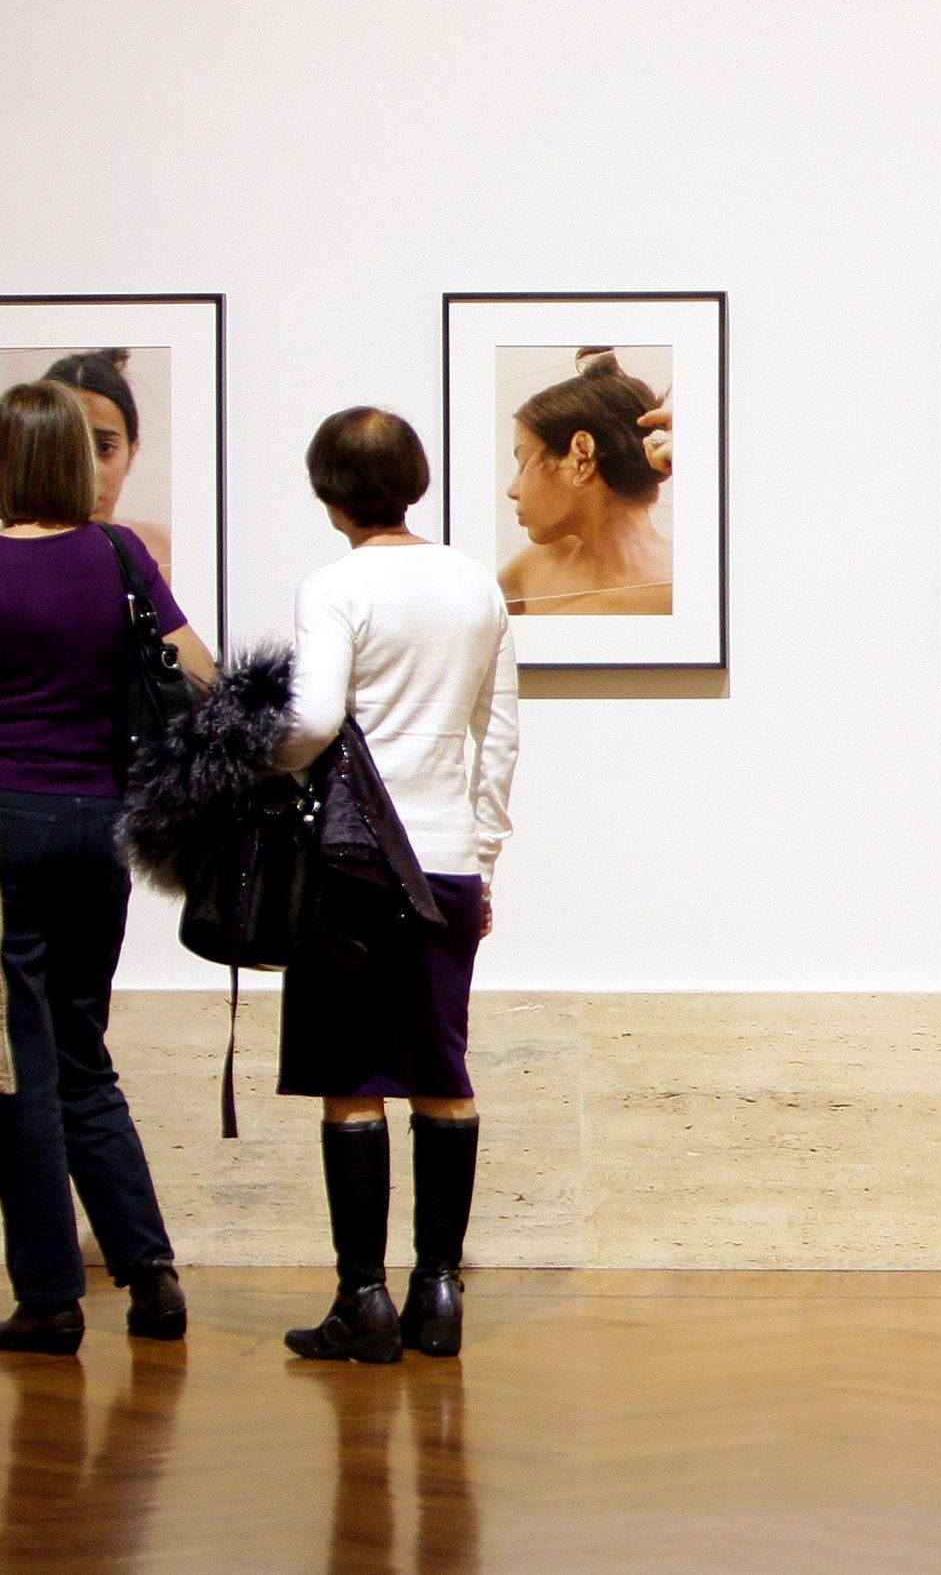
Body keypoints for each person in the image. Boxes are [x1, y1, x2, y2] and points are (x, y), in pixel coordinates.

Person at [0, 379, 215, 1355]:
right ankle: (152, 1276)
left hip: (6, 834)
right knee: (84, 1056)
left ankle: (50, 1297)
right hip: (103, 830)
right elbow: (200, 674)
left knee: (16, 1069)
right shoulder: (120, 554)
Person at [276, 407, 519, 1363]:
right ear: (414, 478)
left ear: (328, 490)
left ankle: (363, 1299)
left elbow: (307, 722)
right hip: (449, 856)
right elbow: (497, 737)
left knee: (350, 1081)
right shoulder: (474, 585)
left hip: (353, 865)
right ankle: (441, 1290)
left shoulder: (336, 585)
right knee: (441, 1072)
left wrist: (252, 758)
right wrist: (485, 855)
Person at [501, 348, 674, 615]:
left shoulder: (685, 588)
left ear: (582, 457)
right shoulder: (533, 569)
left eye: (523, 463)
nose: (512, 491)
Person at [41, 349, 172, 582]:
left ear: (131, 452)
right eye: (64, 447)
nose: (86, 471)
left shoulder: (163, 552)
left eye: (103, 447)